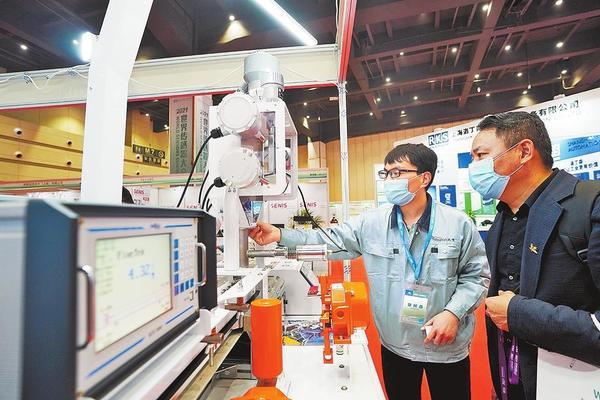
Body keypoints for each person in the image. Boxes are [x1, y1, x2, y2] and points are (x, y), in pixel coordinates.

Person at [250, 144, 490, 400]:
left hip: (445, 343)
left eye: (397, 173)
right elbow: (328, 239)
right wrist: (280, 235)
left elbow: (476, 277)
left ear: (424, 178)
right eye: (386, 173)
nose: (390, 180)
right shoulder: (371, 223)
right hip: (396, 345)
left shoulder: (457, 223)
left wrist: (453, 313)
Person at [468, 111, 600, 400]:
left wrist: (518, 314)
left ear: (524, 151)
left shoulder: (590, 205)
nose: (473, 167)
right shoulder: (503, 217)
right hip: (513, 379)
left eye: (481, 155)